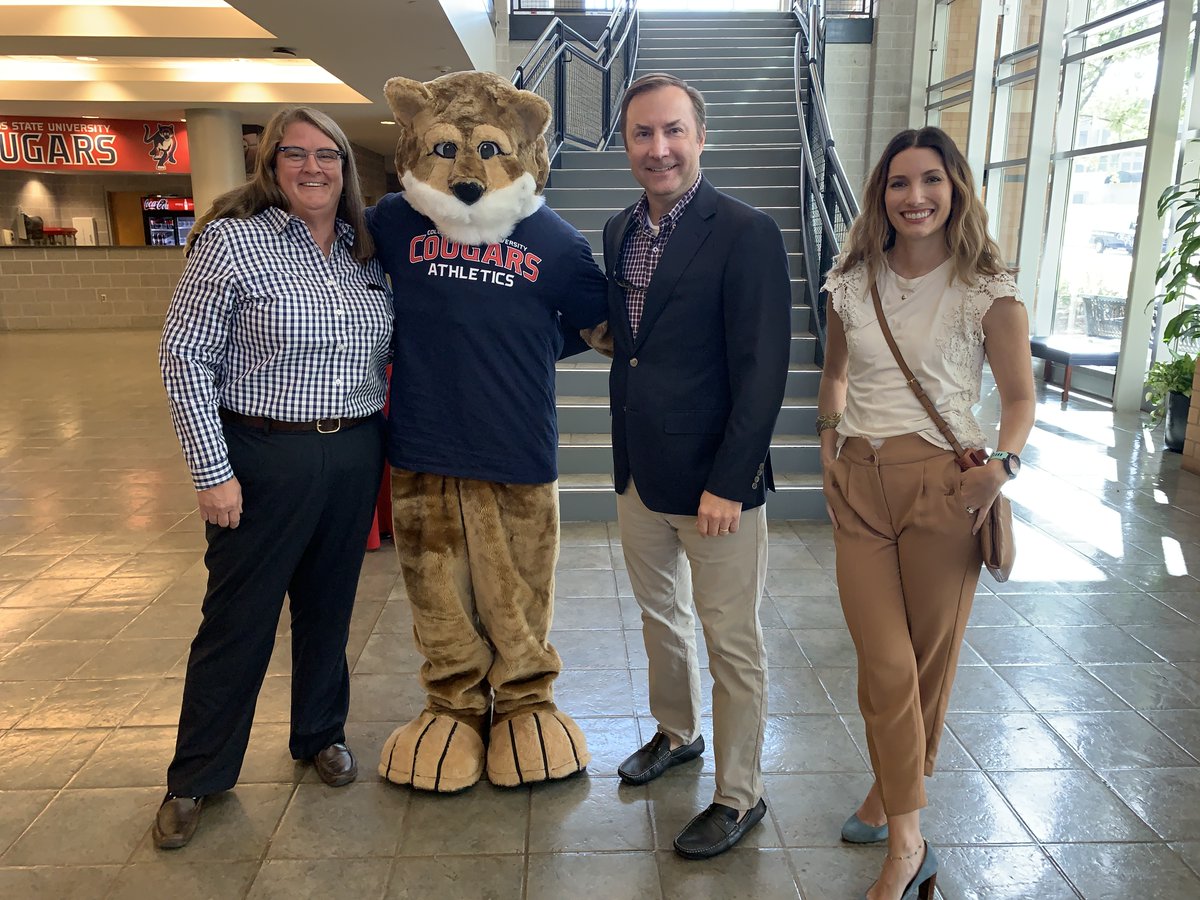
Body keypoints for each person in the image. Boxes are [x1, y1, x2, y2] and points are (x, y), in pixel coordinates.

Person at [156, 106, 393, 849]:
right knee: (239, 620)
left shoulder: (367, 252)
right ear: (272, 163)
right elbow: (183, 357)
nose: (314, 168)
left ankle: (320, 733)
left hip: (354, 451)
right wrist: (210, 471)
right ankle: (197, 774)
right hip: (261, 456)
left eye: (329, 155)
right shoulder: (233, 242)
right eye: (297, 154)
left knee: (329, 609)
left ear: (346, 169)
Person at [817, 126, 1035, 899]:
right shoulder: (850, 280)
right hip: (859, 482)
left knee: (925, 663)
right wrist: (825, 441)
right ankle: (911, 845)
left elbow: (1017, 398)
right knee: (884, 663)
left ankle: (889, 798)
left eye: (931, 181)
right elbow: (835, 375)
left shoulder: (987, 286)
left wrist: (999, 474)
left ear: (957, 189)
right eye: (899, 183)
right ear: (880, 194)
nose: (915, 197)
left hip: (946, 483)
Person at [604, 73, 792, 860]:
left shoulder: (745, 231)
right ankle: (677, 733)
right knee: (659, 621)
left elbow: (763, 368)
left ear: (700, 137)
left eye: (673, 131)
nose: (660, 148)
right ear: (627, 145)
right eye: (644, 134)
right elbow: (633, 349)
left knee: (731, 640)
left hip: (717, 484)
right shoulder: (617, 231)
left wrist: (731, 479)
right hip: (640, 476)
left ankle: (738, 791)